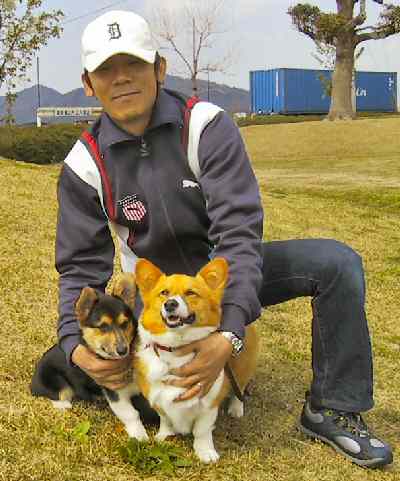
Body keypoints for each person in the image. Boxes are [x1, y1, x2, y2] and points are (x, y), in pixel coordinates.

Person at [55, 10, 393, 468]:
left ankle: (333, 407)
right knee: (94, 372)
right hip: (153, 294)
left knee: (336, 263)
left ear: (159, 68)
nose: (122, 78)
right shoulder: (83, 163)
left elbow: (238, 233)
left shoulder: (206, 125)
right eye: (105, 69)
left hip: (220, 277)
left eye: (133, 63)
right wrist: (74, 345)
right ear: (88, 83)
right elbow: (80, 267)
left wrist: (229, 331)